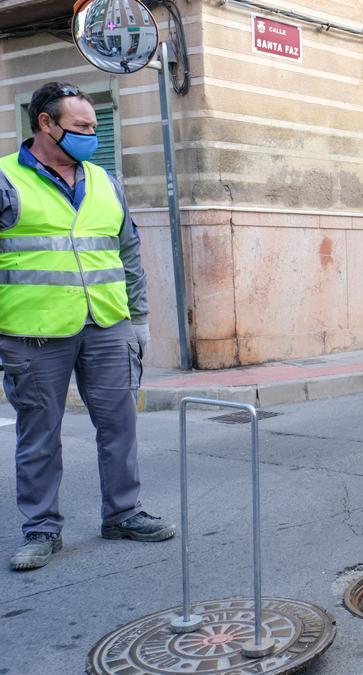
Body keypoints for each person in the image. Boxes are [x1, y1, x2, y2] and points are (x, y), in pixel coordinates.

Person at [0, 82, 175, 571]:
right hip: (33, 334)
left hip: (107, 324)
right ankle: (40, 530)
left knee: (119, 425)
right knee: (38, 435)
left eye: (94, 127)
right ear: (45, 124)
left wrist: (138, 319)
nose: (90, 136)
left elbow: (129, 252)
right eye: (80, 127)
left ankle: (123, 513)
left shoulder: (105, 181)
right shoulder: (5, 180)